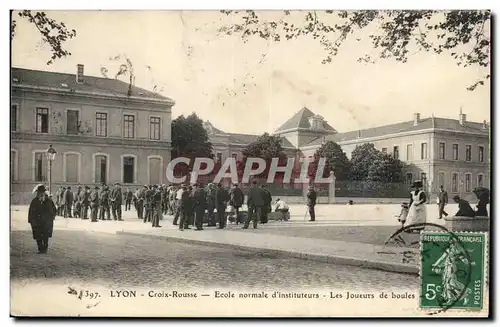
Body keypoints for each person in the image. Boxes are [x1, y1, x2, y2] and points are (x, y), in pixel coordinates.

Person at [28, 184, 56, 254]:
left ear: (44, 193)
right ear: (37, 193)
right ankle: (40, 248)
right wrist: (32, 221)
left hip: (46, 222)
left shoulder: (49, 201)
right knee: (38, 235)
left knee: (45, 236)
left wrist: (51, 218)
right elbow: (31, 212)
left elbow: (54, 210)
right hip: (37, 222)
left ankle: (45, 248)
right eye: (39, 192)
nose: (41, 194)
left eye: (42, 192)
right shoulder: (34, 201)